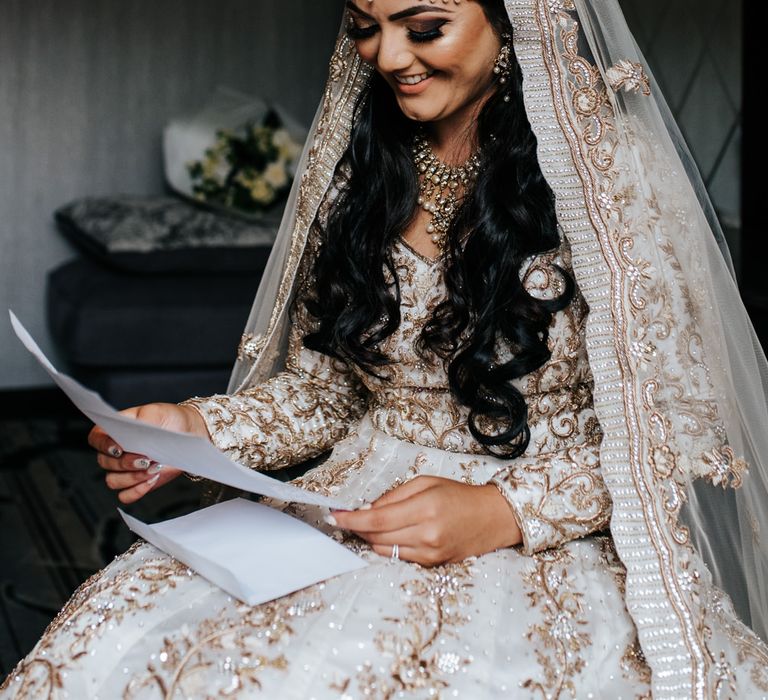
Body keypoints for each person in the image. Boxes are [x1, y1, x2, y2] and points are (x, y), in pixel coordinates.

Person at [3, 0, 768, 697]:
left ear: (514, 22)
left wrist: (504, 510)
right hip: (350, 501)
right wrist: (198, 430)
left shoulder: (613, 178)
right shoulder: (356, 176)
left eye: (424, 27)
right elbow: (327, 389)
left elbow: (683, 425)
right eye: (367, 27)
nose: (390, 56)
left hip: (546, 533)